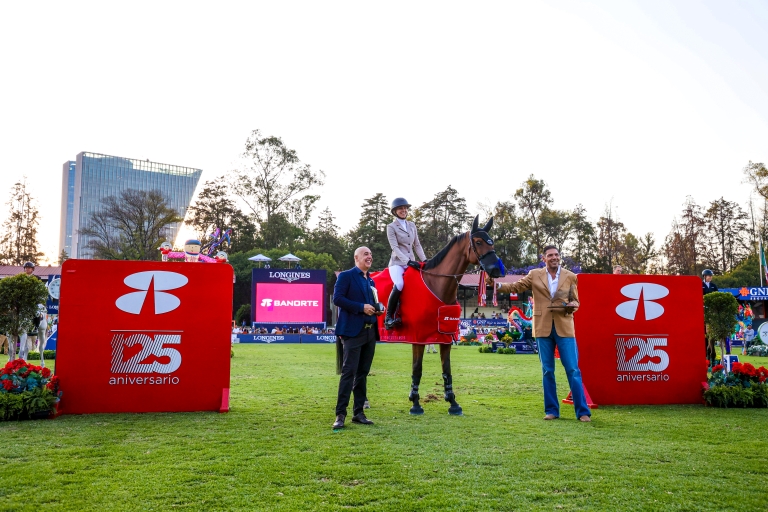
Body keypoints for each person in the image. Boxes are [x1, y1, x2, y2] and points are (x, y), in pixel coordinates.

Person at [494, 245, 591, 422]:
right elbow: (516, 286)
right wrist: (497, 285)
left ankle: (583, 412)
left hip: (565, 327)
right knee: (547, 370)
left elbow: (576, 302)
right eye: (550, 255)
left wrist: (572, 306)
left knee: (573, 370)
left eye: (556, 254)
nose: (554, 257)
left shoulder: (571, 276)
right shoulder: (534, 275)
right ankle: (552, 410)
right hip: (542, 327)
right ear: (543, 258)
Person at [332, 246, 383, 429]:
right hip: (353, 332)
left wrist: (376, 309)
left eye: (371, 253)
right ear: (356, 258)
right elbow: (337, 299)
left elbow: (370, 304)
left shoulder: (371, 281)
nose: (370, 256)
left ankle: (359, 413)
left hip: (370, 332)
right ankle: (340, 414)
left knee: (362, 374)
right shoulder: (346, 276)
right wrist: (361, 307)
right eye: (366, 254)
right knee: (349, 373)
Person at [384, 197, 427, 330]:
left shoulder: (412, 225)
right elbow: (395, 248)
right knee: (400, 284)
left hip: (411, 262)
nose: (403, 210)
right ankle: (388, 317)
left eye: (405, 208)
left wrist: (424, 260)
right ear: (395, 211)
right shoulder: (391, 227)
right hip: (397, 263)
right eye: (400, 209)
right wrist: (407, 261)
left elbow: (417, 245)